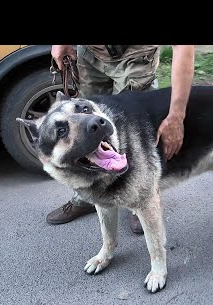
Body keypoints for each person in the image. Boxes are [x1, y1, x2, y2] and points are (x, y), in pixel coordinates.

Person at [47, 45, 195, 234]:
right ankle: (87, 195)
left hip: (135, 54)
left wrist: (176, 116)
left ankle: (140, 195)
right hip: (91, 52)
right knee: (87, 126)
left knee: (134, 127)